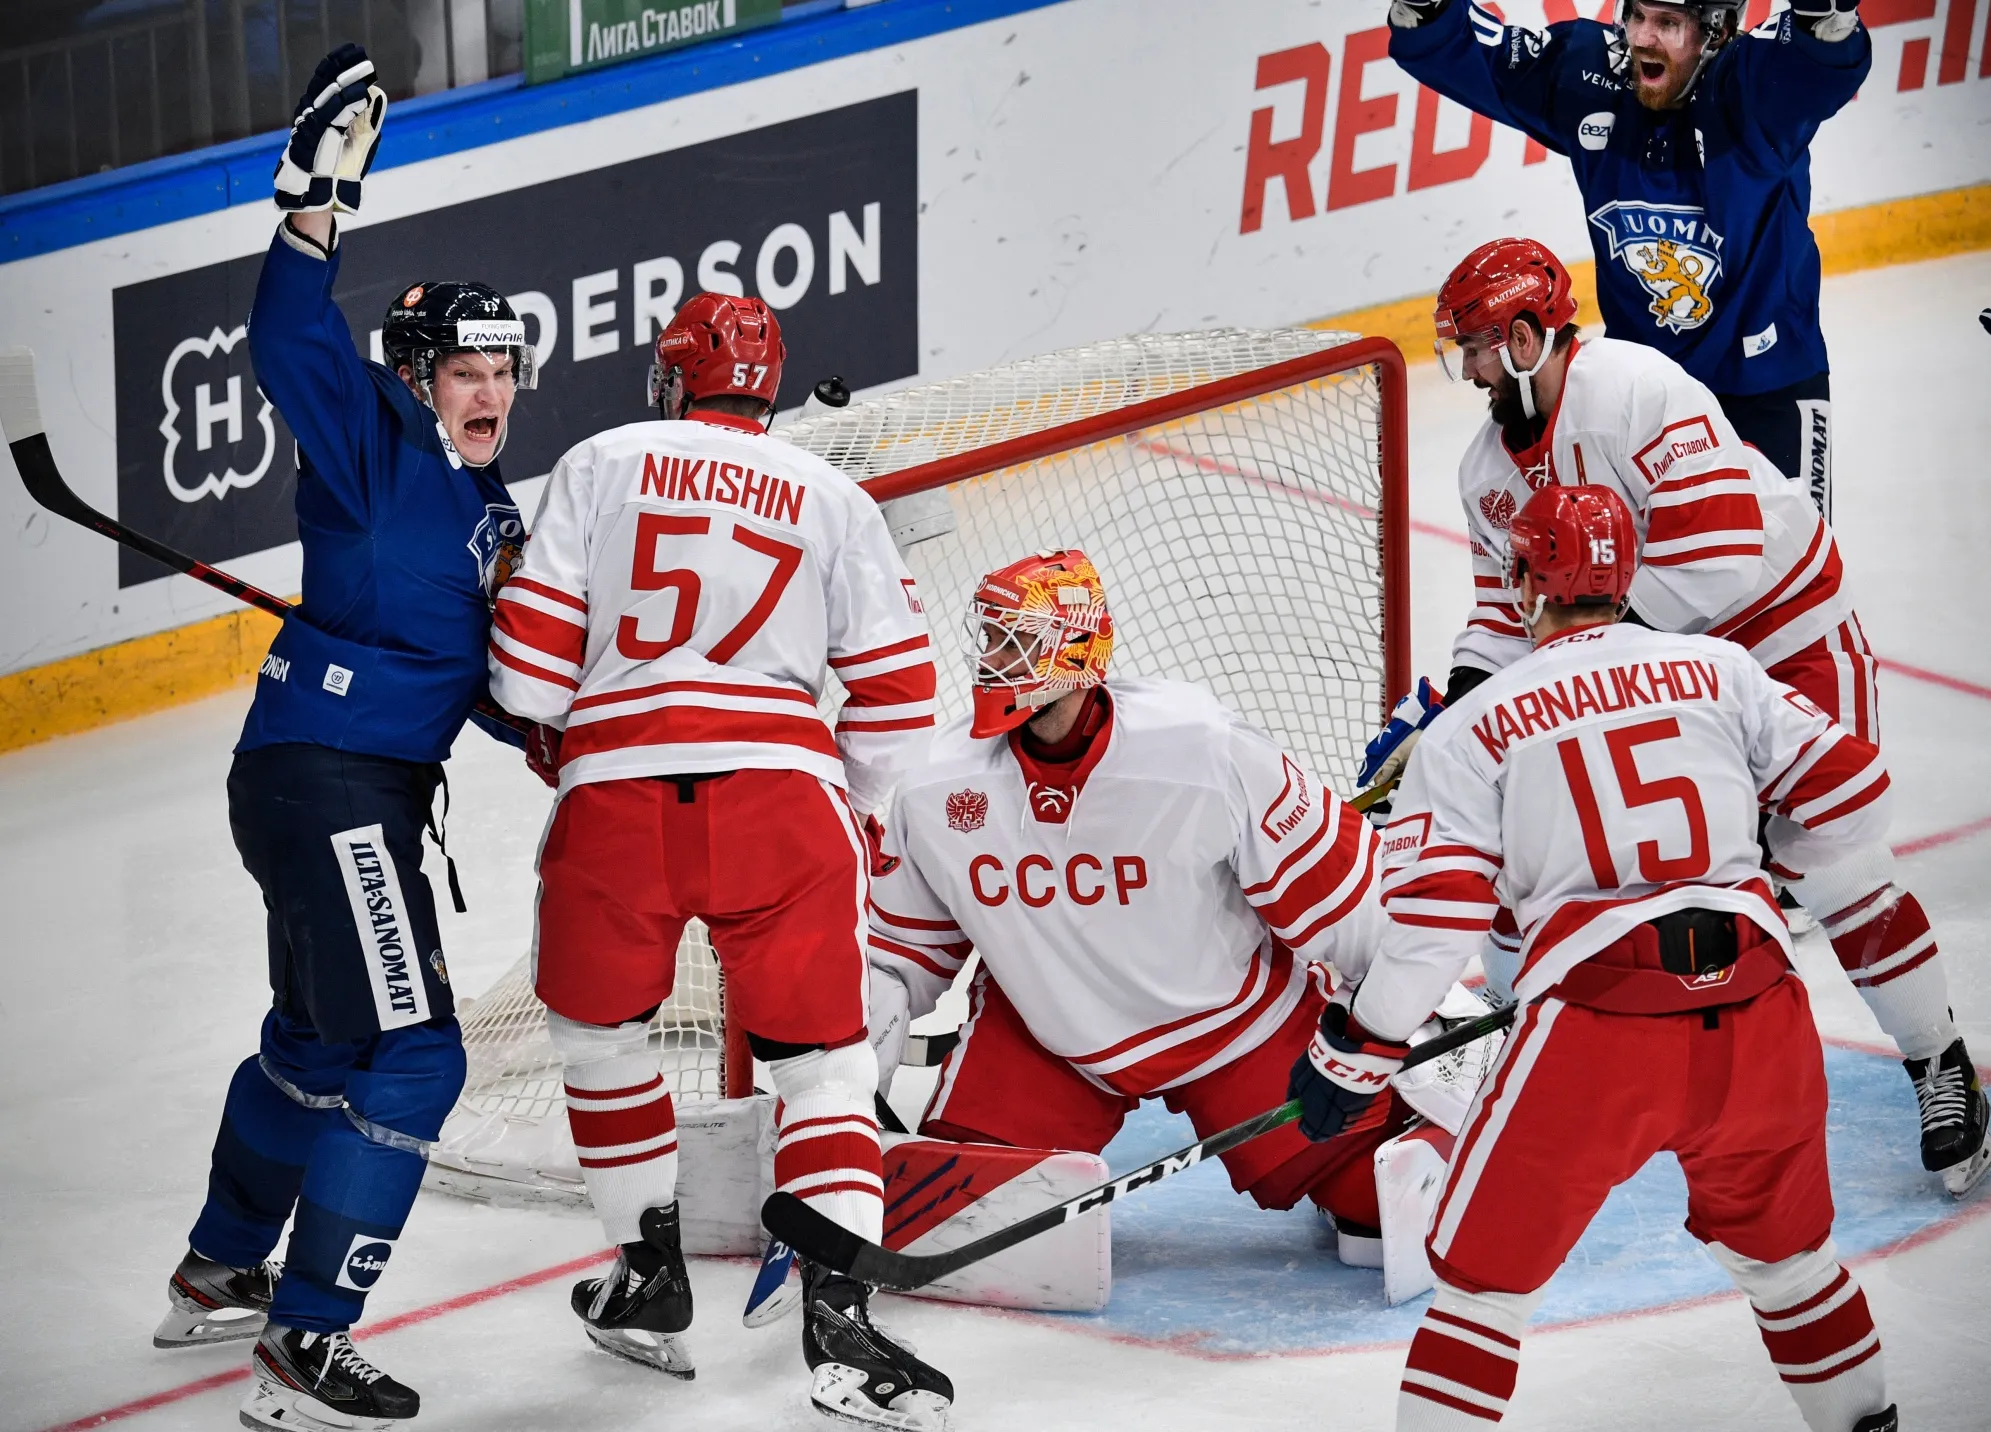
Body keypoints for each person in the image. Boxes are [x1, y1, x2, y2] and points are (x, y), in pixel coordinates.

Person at [1366, 236, 1991, 1196]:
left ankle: (1938, 1061)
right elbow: (1506, 612)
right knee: (1572, 854)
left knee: (1832, 856)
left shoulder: (1632, 387)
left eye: (1483, 346)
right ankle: (1529, 1070)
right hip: (1656, 665)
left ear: (1530, 337)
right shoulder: (1486, 466)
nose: (1472, 368)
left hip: (1783, 638)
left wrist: (1591, 661)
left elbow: (1725, 555)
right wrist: (1451, 709)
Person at [1298, 484, 1900, 1432]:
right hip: (1761, 1012)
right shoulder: (1722, 670)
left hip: (1599, 1032)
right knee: (1791, 1266)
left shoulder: (1473, 722)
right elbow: (1854, 793)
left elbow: (1437, 923)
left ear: (1530, 580)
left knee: (1483, 1294)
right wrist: (1756, 863)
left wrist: (1358, 1046)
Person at [155, 44, 538, 1432]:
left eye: (507, 365)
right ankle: (307, 1344)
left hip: (329, 784)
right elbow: (287, 334)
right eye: (466, 365)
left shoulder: (497, 521)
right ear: (418, 372)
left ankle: (218, 1269)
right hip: (332, 789)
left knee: (320, 1049)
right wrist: (315, 204)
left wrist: (555, 730)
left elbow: (504, 688)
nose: (490, 387)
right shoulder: (372, 436)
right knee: (419, 1055)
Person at [485, 292, 949, 1429]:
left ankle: (646, 1276)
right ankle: (841, 1324)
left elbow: (528, 684)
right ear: (768, 387)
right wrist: (861, 816)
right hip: (780, 803)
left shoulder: (600, 460)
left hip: (615, 805)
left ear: (668, 377)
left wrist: (561, 725)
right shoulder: (831, 493)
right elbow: (898, 699)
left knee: (598, 1039)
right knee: (826, 1068)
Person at [864, 548, 1474, 1287]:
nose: (992, 659)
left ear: (1075, 648)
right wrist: (844, 1084)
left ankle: (1465, 1113)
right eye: (989, 637)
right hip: (1048, 1036)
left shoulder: (1202, 750)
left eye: (1014, 638)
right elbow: (897, 958)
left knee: (1377, 1212)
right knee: (956, 1215)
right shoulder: (936, 785)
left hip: (1230, 1025)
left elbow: (1350, 899)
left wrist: (1399, 1026)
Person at [1386, 0, 1867, 519]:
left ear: (1718, 31)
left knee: (1795, 578)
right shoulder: (1591, 79)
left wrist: (1824, 18)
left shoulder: (1751, 90)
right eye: (1637, 15)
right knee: (1626, 584)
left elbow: (1814, 55)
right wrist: (1427, 9)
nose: (1641, 37)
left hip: (1767, 389)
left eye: (1667, 23)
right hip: (1642, 397)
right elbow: (1485, 55)